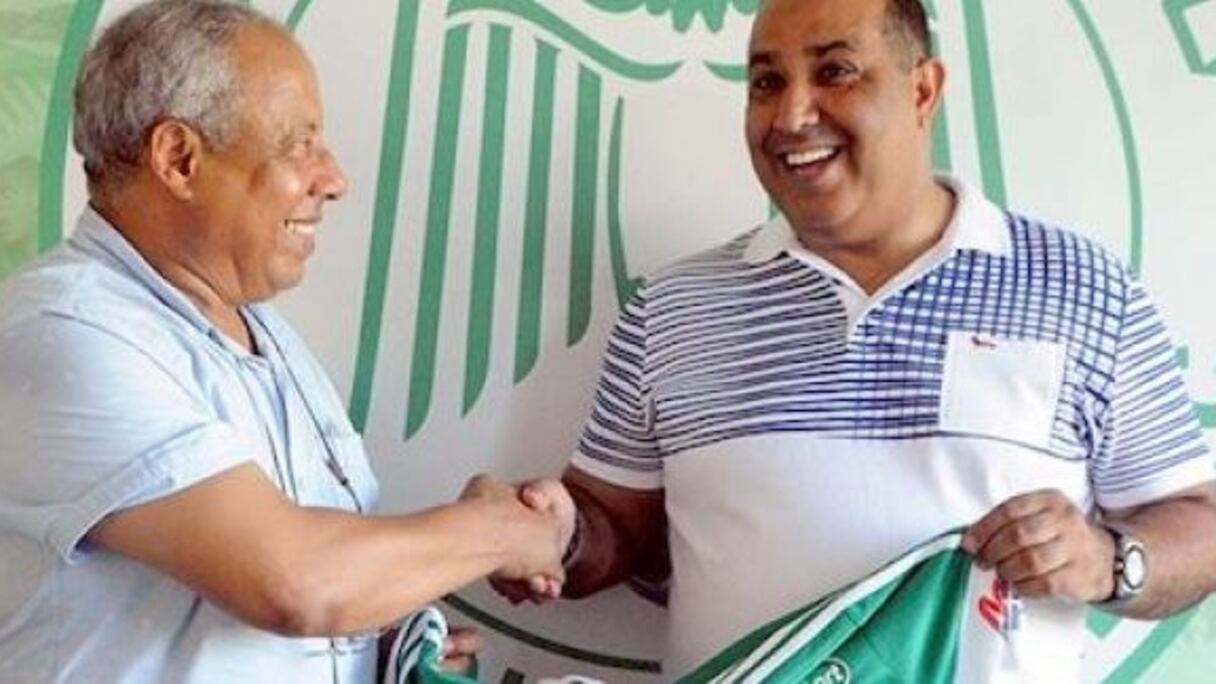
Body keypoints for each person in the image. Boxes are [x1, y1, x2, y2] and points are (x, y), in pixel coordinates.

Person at [502, 0, 1216, 679]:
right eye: (766, 82)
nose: (792, 115)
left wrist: (1108, 560)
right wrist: (553, 534)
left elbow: (1200, 524)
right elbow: (612, 529)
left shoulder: (1083, 287)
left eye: (835, 71)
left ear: (923, 89)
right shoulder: (673, 307)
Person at [0, 2, 567, 682]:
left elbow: (291, 596)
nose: (334, 179)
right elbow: (294, 583)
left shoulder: (262, 332)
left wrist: (377, 648)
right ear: (179, 159)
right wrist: (497, 531)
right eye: (299, 144)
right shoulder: (64, 333)